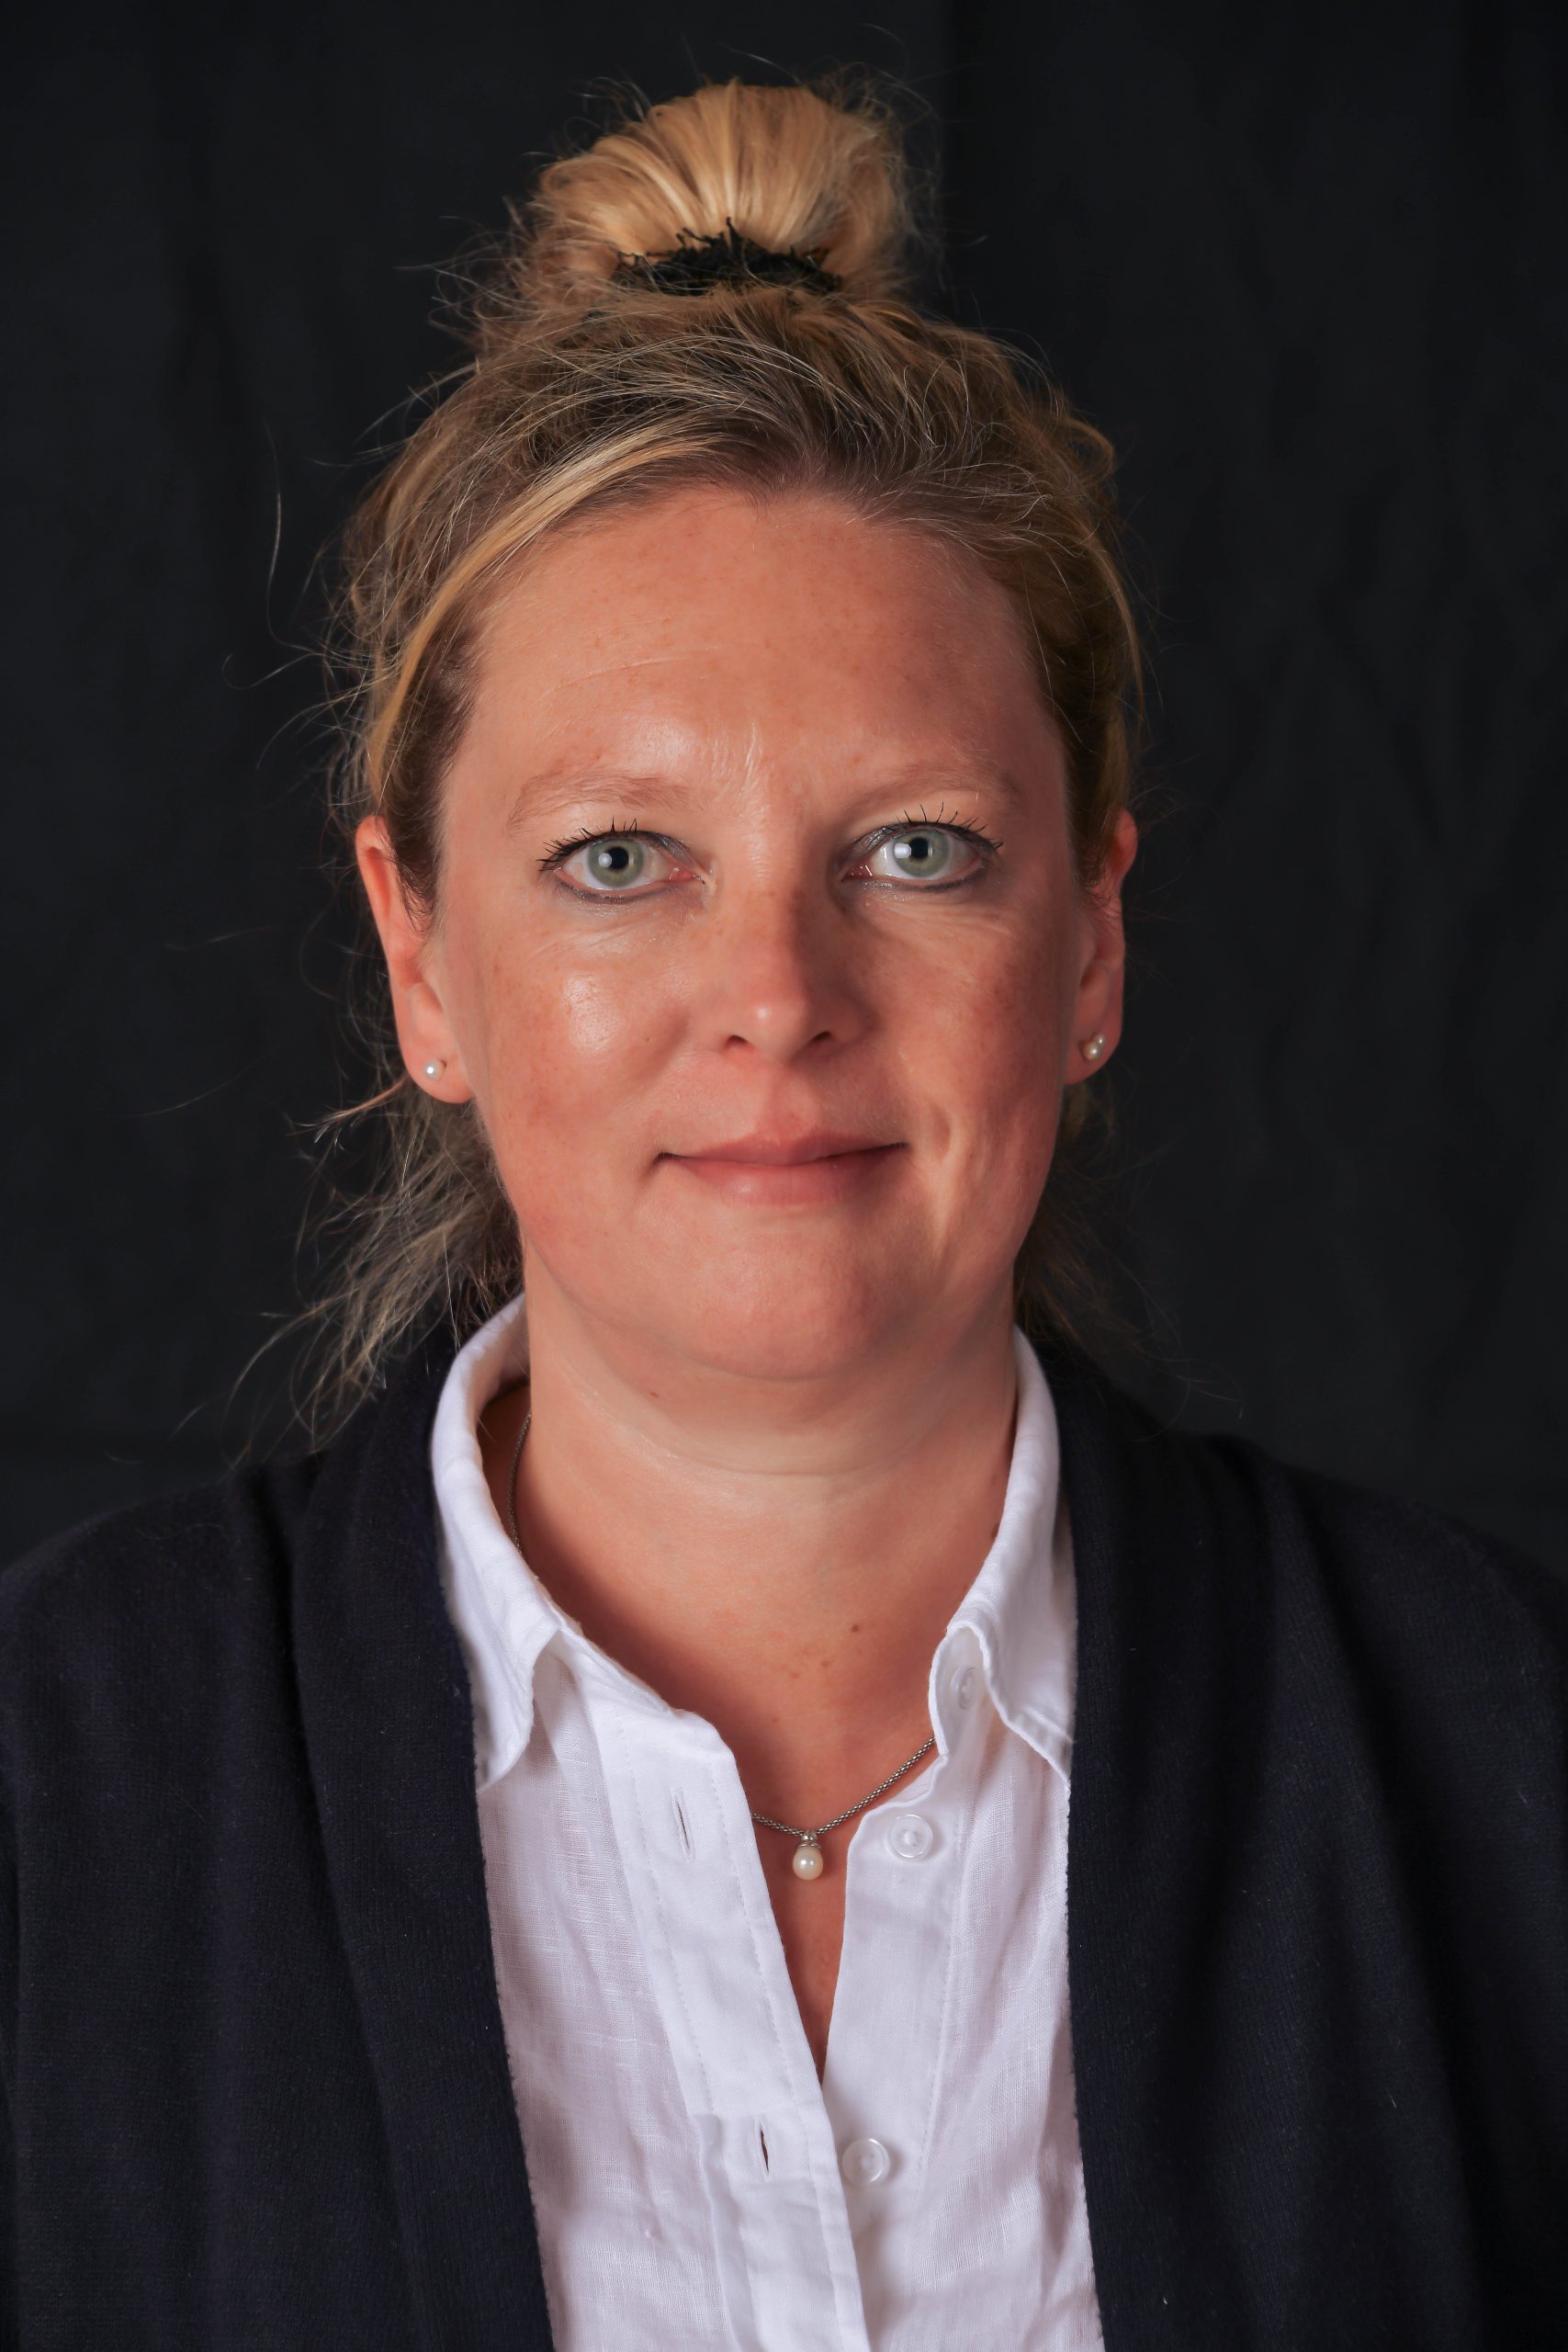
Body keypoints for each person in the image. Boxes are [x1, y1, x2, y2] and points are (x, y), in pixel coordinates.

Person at [2, 76, 1564, 2352]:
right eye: (618, 858)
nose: (775, 994)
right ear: (422, 956)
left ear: (1091, 938)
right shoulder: (54, 1788)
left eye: (914, 848)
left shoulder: (1497, 1752)